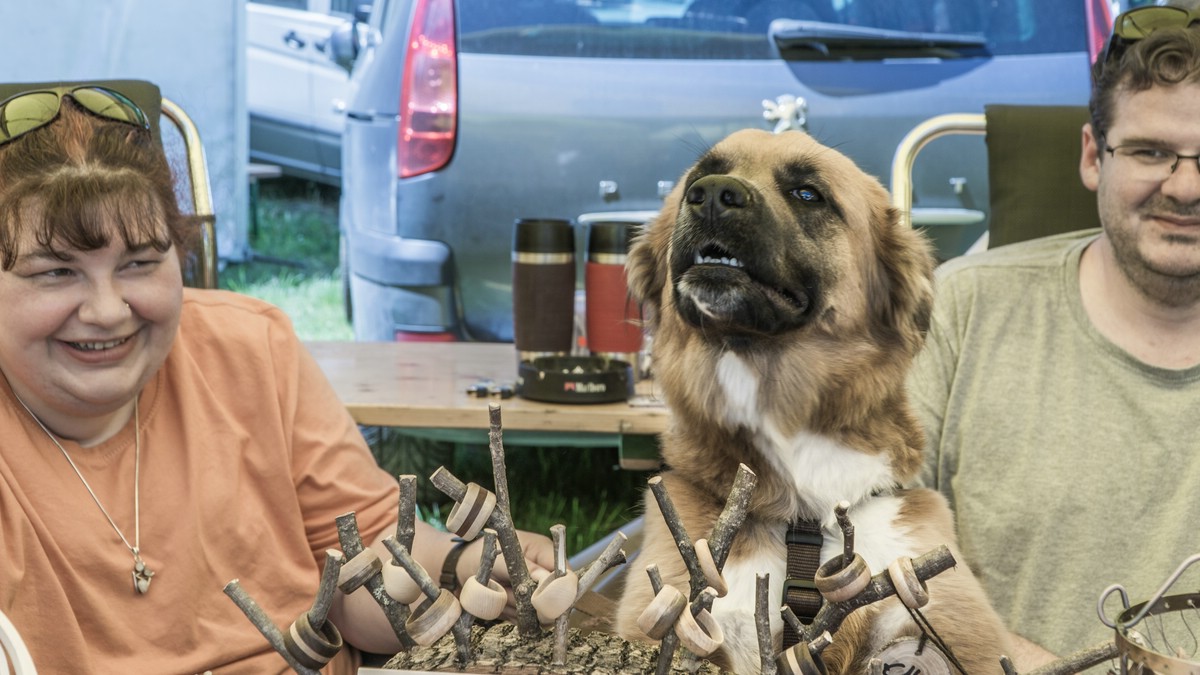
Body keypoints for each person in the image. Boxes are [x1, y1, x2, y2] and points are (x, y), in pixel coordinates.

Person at [0, 87, 554, 673]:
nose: (109, 310)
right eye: (56, 272)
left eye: (139, 263)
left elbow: (360, 553)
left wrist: (464, 566)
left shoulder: (249, 351)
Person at [908, 4, 1200, 668]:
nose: (1186, 186)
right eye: (1152, 151)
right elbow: (873, 547)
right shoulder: (965, 309)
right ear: (1093, 156)